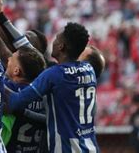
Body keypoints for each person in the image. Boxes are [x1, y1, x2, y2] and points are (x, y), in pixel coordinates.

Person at [8, 23, 100, 152]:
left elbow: (16, 102)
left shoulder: (54, 74)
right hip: (91, 148)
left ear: (61, 46)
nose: (54, 41)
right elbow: (35, 58)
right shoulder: (89, 69)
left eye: (57, 38)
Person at [2, 46, 46, 152]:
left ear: (16, 71)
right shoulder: (44, 95)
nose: (8, 59)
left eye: (11, 58)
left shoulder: (10, 89)